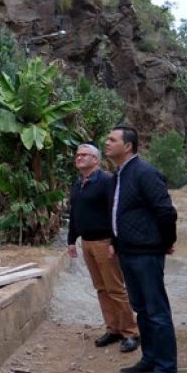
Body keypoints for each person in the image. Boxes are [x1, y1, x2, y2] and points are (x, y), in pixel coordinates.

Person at [105, 125, 178, 373]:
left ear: (128, 146)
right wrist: (115, 242)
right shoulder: (118, 176)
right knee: (143, 311)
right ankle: (149, 359)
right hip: (128, 252)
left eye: (112, 139)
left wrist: (166, 242)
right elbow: (117, 213)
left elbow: (166, 212)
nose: (107, 143)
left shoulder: (145, 173)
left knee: (157, 311)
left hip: (147, 253)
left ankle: (167, 369)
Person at [67, 143, 138, 352]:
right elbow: (75, 214)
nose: (79, 158)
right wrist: (72, 240)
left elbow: (115, 213)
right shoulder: (78, 183)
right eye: (77, 155)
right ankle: (113, 328)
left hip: (104, 242)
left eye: (84, 155)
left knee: (115, 288)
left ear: (95, 160)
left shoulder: (107, 181)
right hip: (87, 243)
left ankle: (130, 332)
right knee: (101, 289)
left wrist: (115, 242)